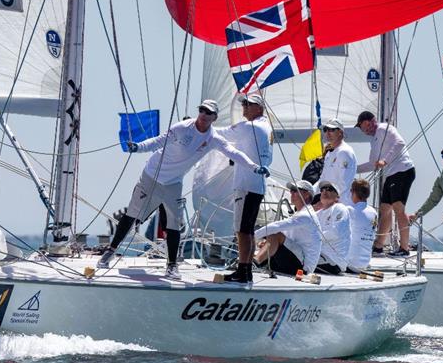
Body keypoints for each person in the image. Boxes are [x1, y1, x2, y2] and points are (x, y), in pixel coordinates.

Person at [98, 99, 269, 279]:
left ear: (214, 118)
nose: (203, 115)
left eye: (208, 113)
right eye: (202, 110)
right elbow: (158, 141)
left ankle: (171, 266)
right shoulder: (181, 128)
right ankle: (110, 251)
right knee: (132, 214)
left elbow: (233, 153)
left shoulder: (213, 138)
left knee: (174, 224)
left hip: (173, 183)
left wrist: (254, 167)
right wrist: (138, 147)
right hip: (151, 175)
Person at [215, 94, 274, 283]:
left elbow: (221, 133)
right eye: (244, 104)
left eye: (248, 105)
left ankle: (243, 270)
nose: (244, 108)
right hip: (257, 185)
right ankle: (246, 270)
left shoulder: (250, 127)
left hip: (246, 185)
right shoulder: (266, 127)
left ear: (259, 108)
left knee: (241, 230)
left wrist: (200, 127)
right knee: (247, 230)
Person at [355, 111, 415, 256]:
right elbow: (372, 164)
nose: (366, 129)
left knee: (398, 208)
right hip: (391, 174)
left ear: (373, 120)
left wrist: (385, 160)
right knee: (384, 208)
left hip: (403, 170)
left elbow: (400, 143)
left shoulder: (383, 128)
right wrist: (352, 169)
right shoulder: (374, 140)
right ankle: (379, 246)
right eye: (363, 128)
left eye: (368, 125)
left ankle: (404, 248)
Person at [253, 180, 322, 276]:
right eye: (291, 190)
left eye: (295, 190)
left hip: (303, 268)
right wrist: (268, 243)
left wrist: (252, 237)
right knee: (270, 240)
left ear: (306, 195)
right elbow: (284, 236)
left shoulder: (306, 215)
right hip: (296, 259)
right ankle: (252, 263)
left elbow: (276, 227)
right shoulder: (299, 214)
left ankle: (254, 263)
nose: (291, 193)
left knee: (275, 234)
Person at [315, 118, 358, 205]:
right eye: (326, 130)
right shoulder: (329, 154)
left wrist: (326, 201)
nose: (327, 133)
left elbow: (344, 183)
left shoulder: (345, 152)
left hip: (341, 204)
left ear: (340, 132)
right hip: (329, 203)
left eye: (332, 130)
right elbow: (323, 179)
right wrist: (308, 193)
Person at [312, 181, 351, 275]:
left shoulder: (340, 208)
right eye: (322, 189)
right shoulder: (317, 214)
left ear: (337, 197)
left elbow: (335, 233)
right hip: (319, 256)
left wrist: (311, 237)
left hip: (333, 260)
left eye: (329, 189)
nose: (325, 191)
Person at [346, 179, 379, 273]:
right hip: (364, 263)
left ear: (354, 192)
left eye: (351, 191)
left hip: (350, 263)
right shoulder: (374, 212)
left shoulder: (350, 210)